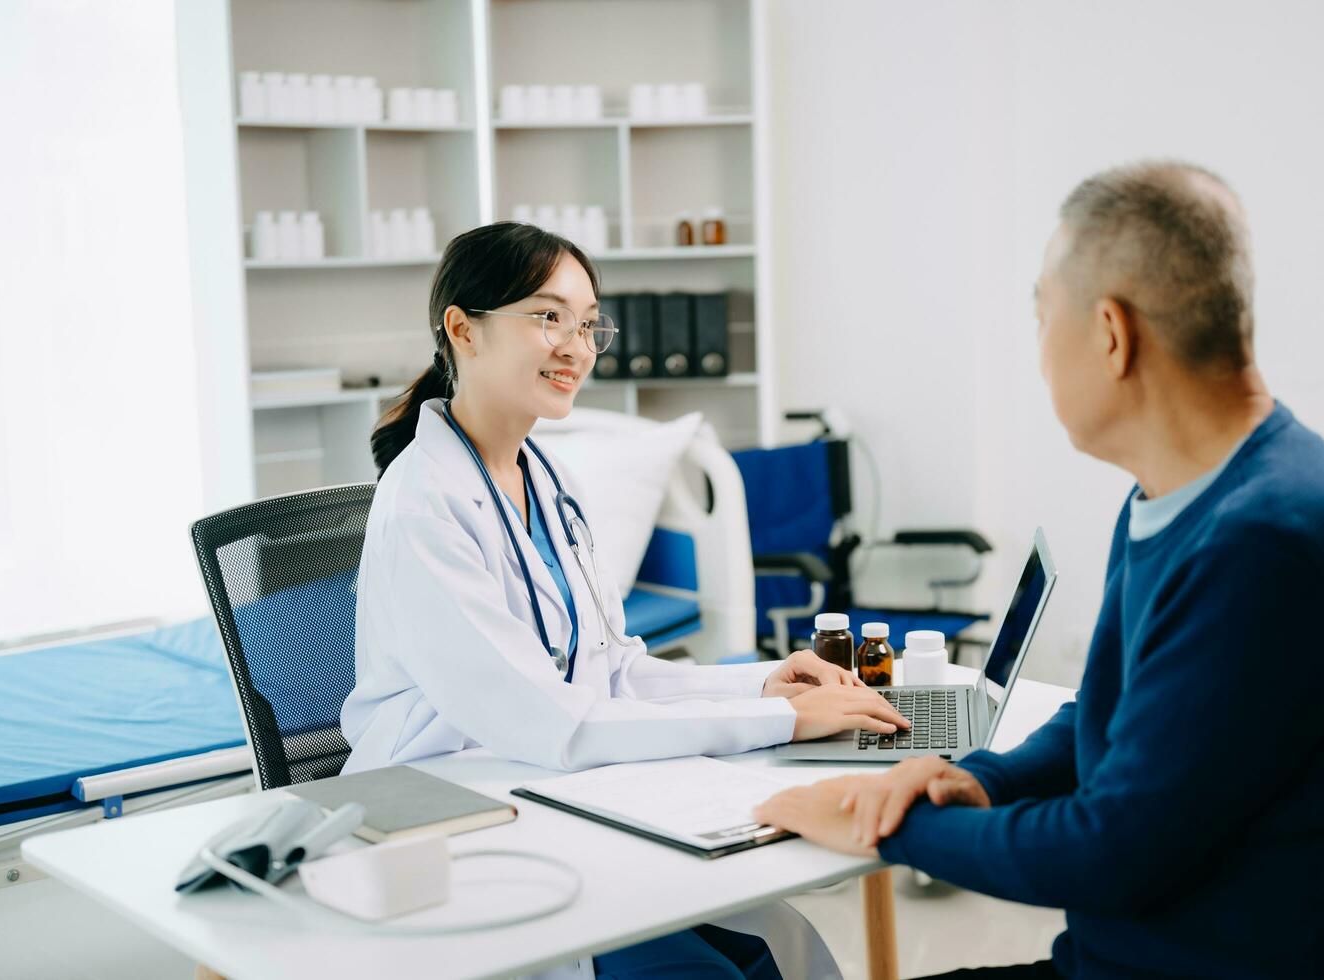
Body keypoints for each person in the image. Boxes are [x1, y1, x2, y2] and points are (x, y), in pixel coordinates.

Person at [755, 161, 1324, 979]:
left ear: (1112, 335)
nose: (1040, 354)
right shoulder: (1175, 492)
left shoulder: (1271, 539)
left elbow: (1115, 850)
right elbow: (1112, 714)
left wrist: (881, 824)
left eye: (1042, 316)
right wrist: (976, 781)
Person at [342, 222, 908, 979]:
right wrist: (781, 719)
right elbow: (550, 718)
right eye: (548, 318)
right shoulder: (424, 503)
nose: (576, 347)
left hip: (546, 783)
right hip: (454, 816)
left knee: (778, 944)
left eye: (587, 324)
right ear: (463, 330)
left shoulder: (548, 480)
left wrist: (763, 681)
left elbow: (612, 671)